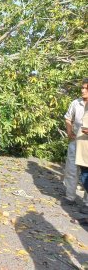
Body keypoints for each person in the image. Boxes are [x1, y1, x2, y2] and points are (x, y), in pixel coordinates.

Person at [64, 78, 88, 212]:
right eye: (82, 87)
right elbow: (68, 118)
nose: (82, 90)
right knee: (71, 170)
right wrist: (69, 132)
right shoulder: (76, 103)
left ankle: (87, 203)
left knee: (87, 174)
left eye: (86, 88)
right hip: (76, 141)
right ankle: (70, 197)